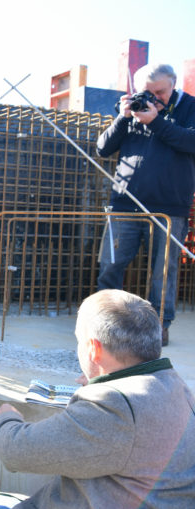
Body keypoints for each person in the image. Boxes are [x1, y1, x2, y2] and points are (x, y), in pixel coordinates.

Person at [0, 289, 195, 509]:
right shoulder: (177, 388)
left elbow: (18, 451)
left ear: (93, 348)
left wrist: (5, 418)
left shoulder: (114, 405)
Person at [95, 63, 195, 346]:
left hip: (169, 207)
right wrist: (123, 118)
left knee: (163, 272)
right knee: (110, 266)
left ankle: (159, 327)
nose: (153, 98)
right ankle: (104, 322)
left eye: (159, 92)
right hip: (124, 204)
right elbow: (103, 148)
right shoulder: (133, 110)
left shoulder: (189, 108)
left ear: (173, 84)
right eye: (146, 92)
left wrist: (157, 122)